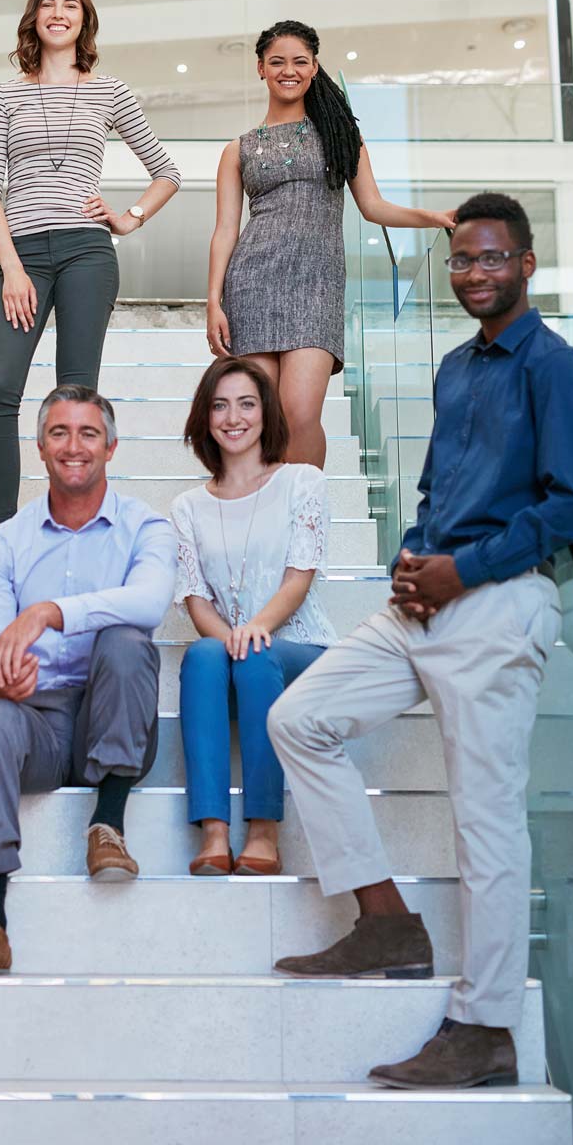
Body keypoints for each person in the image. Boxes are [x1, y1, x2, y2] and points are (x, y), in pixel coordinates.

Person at [267, 192, 573, 1090]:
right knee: (298, 718)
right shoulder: (454, 366)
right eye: (460, 259)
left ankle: (485, 1028)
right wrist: (412, 559)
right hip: (425, 600)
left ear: (525, 264)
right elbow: (431, 488)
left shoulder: (554, 366)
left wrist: (467, 569)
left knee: (485, 822)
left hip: (499, 604)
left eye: (490, 257)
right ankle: (385, 921)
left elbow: (572, 502)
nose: (473, 272)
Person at [0, 385, 176, 977]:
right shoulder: (9, 542)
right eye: (59, 433)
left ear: (111, 447)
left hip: (110, 713)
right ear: (40, 446)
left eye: (88, 433)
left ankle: (108, 824)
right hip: (35, 723)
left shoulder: (146, 526)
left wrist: (49, 612)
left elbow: (149, 603)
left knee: (125, 641)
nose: (74, 446)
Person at [0, 0, 181, 525]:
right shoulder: (3, 96)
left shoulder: (109, 91)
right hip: (23, 255)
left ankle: (72, 522)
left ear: (84, 18)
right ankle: (1, 529)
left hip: (87, 252)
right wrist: (11, 267)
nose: (58, 13)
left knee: (75, 396)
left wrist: (128, 218)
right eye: (48, 3)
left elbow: (167, 172)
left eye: (70, 4)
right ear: (34, 16)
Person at [206, 19, 454, 468]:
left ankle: (305, 511)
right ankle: (264, 506)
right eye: (277, 62)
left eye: (300, 61)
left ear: (315, 67)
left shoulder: (341, 136)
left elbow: (373, 207)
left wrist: (431, 218)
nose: (289, 70)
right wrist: (213, 302)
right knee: (260, 417)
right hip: (252, 285)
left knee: (300, 414)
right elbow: (225, 229)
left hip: (316, 285)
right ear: (260, 68)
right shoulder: (237, 150)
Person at [172, 357, 333, 876]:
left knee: (256, 654)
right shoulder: (187, 506)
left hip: (300, 648)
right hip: (234, 652)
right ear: (205, 417)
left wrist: (255, 631)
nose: (233, 417)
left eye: (246, 404)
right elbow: (197, 603)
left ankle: (264, 831)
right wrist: (233, 639)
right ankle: (214, 831)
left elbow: (298, 580)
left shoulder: (302, 482)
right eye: (220, 406)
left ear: (266, 413)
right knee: (203, 655)